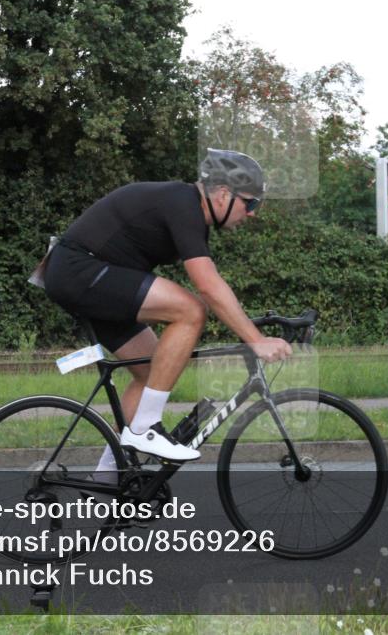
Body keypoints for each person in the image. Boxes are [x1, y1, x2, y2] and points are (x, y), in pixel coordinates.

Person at [42, 149, 292, 472]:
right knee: (191, 311)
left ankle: (108, 481)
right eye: (251, 203)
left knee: (150, 371)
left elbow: (213, 282)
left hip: (88, 275)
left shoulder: (190, 214)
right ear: (223, 195)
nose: (253, 213)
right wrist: (255, 339)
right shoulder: (182, 203)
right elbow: (208, 286)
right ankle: (146, 428)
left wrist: (249, 327)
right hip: (79, 270)